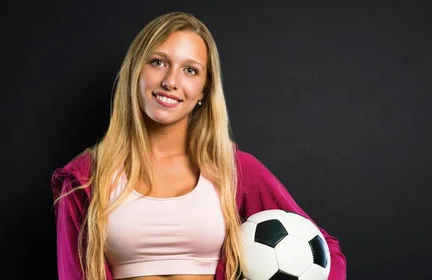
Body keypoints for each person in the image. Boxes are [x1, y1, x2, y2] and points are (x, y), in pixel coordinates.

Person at [51, 11, 347, 280]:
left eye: (190, 70)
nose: (170, 81)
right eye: (158, 62)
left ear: (204, 89)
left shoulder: (233, 170)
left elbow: (324, 253)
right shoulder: (85, 178)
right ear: (135, 72)